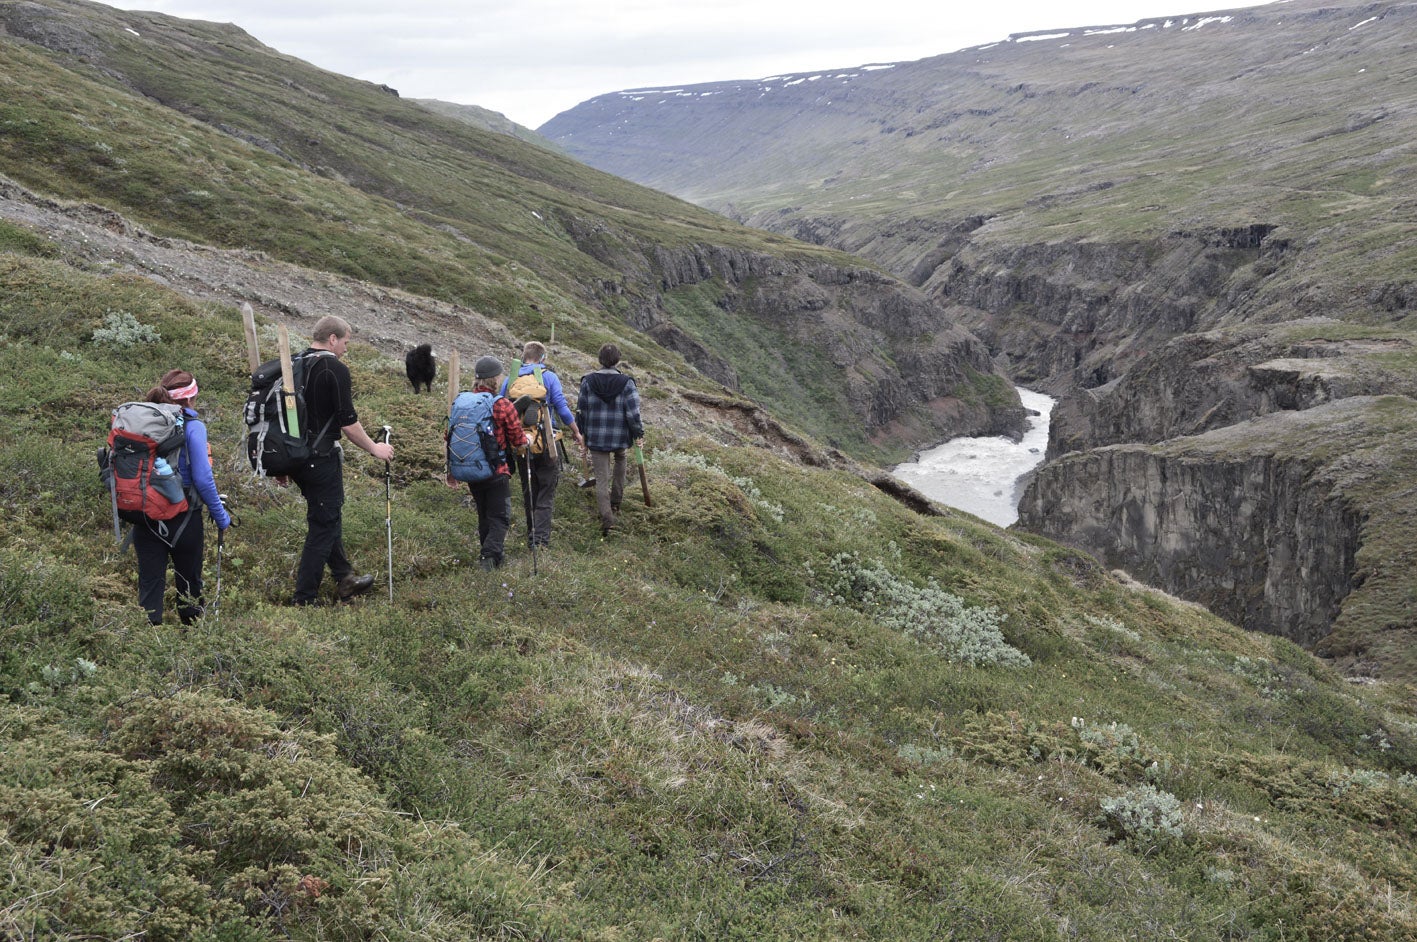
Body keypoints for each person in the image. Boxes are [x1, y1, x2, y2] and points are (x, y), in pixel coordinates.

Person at [286, 315, 394, 605]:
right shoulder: (333, 368)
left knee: (326, 516)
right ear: (332, 339)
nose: (346, 348)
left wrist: (282, 462)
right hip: (320, 458)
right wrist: (375, 448)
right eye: (345, 342)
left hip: (296, 458)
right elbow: (348, 423)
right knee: (323, 525)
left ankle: (345, 577)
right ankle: (304, 598)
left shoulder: (295, 363)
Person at [133, 369, 231, 625]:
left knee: (150, 582)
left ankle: (146, 641)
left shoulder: (141, 423)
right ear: (189, 399)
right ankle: (191, 640)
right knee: (189, 582)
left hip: (144, 514)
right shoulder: (193, 427)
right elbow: (202, 478)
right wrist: (220, 516)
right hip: (184, 515)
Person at [500, 341, 584, 549]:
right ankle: (540, 542)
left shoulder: (511, 379)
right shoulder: (548, 376)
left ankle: (531, 536)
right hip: (547, 442)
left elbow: (500, 407)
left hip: (520, 443)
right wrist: (576, 431)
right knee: (545, 492)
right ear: (542, 357)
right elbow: (562, 408)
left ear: (524, 356)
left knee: (529, 491)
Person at [451, 356, 526, 570]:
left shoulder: (461, 401)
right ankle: (489, 558)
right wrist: (527, 441)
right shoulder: (501, 404)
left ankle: (493, 557)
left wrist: (450, 470)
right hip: (496, 469)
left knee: (484, 515)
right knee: (500, 517)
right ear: (495, 379)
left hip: (469, 467)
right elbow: (518, 439)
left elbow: (450, 435)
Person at [576, 343, 644, 536]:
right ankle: (615, 504)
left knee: (601, 478)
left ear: (600, 360)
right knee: (621, 459)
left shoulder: (587, 381)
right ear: (617, 360)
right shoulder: (627, 383)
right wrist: (638, 433)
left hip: (596, 437)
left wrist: (580, 434)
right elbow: (633, 414)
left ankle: (608, 521)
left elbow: (581, 410)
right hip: (619, 436)